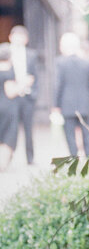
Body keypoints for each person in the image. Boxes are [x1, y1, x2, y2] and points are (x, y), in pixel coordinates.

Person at [54, 32, 89, 159]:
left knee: (70, 135)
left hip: (67, 104)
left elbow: (58, 85)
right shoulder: (86, 62)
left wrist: (56, 105)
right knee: (86, 135)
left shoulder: (60, 62)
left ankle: (74, 160)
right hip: (85, 103)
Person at [7, 25, 39, 165]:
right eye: (16, 37)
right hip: (11, 96)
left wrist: (34, 92)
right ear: (10, 38)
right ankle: (8, 156)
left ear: (26, 39)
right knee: (10, 127)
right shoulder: (4, 52)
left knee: (28, 128)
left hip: (27, 96)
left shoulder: (32, 54)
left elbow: (35, 75)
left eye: (21, 37)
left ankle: (30, 158)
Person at [0, 44, 16, 171]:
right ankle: (2, 164)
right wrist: (22, 86)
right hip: (6, 105)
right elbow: (10, 92)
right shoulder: (8, 71)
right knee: (7, 134)